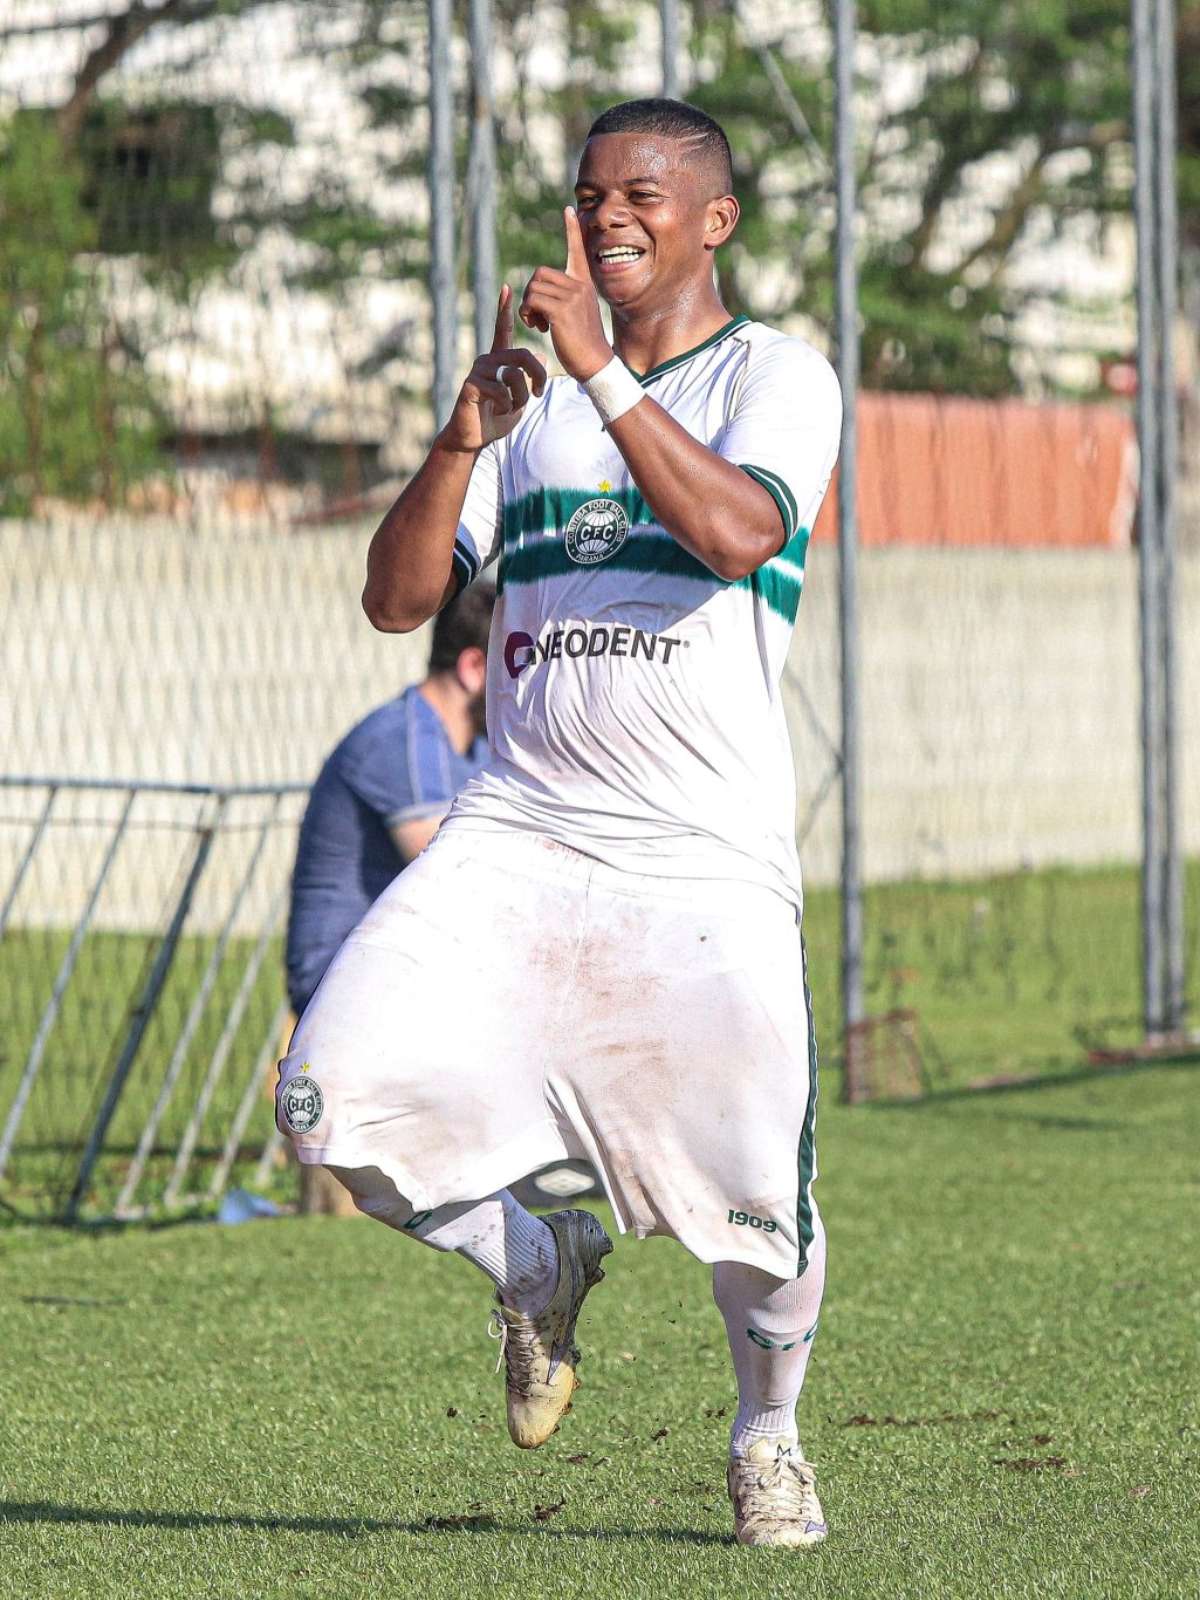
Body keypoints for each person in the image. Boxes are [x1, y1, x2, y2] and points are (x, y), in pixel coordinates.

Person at [277, 98, 841, 1549]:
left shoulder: (778, 377)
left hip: (699, 855)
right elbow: (399, 602)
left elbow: (736, 536)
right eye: (589, 197)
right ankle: (536, 1255)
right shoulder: (530, 420)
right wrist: (465, 443)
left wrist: (597, 372)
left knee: (755, 1209)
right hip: (519, 833)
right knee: (325, 1099)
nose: (607, 220)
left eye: (641, 195)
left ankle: (767, 1436)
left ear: (713, 219)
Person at [284, 584, 494, 1022]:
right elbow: (459, 888)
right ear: (474, 667)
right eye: (517, 666)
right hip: (341, 988)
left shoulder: (474, 748)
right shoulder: (402, 741)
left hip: (403, 972)